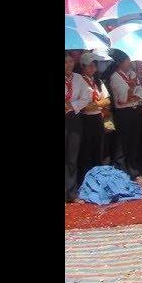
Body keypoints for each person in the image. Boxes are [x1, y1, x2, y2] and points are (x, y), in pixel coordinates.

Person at [106, 49, 142, 178]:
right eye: (128, 61)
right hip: (123, 113)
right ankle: (121, 169)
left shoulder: (132, 74)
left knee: (134, 140)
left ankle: (132, 167)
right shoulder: (115, 77)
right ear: (121, 63)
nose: (130, 63)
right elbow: (123, 98)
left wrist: (133, 93)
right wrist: (132, 90)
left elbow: (139, 95)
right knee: (123, 141)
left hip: (134, 110)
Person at [76, 52, 112, 183]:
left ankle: (97, 175)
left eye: (94, 66)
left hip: (97, 117)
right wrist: (97, 105)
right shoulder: (79, 81)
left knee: (98, 147)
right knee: (86, 149)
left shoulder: (98, 81)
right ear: (83, 67)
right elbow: (84, 106)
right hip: (85, 119)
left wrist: (95, 104)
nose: (92, 68)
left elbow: (107, 100)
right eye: (89, 66)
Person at [66, 51, 93, 203]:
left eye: (70, 61)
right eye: (65, 62)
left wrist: (72, 105)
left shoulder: (77, 78)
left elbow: (86, 97)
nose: (68, 65)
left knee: (72, 156)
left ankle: (71, 192)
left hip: (73, 117)